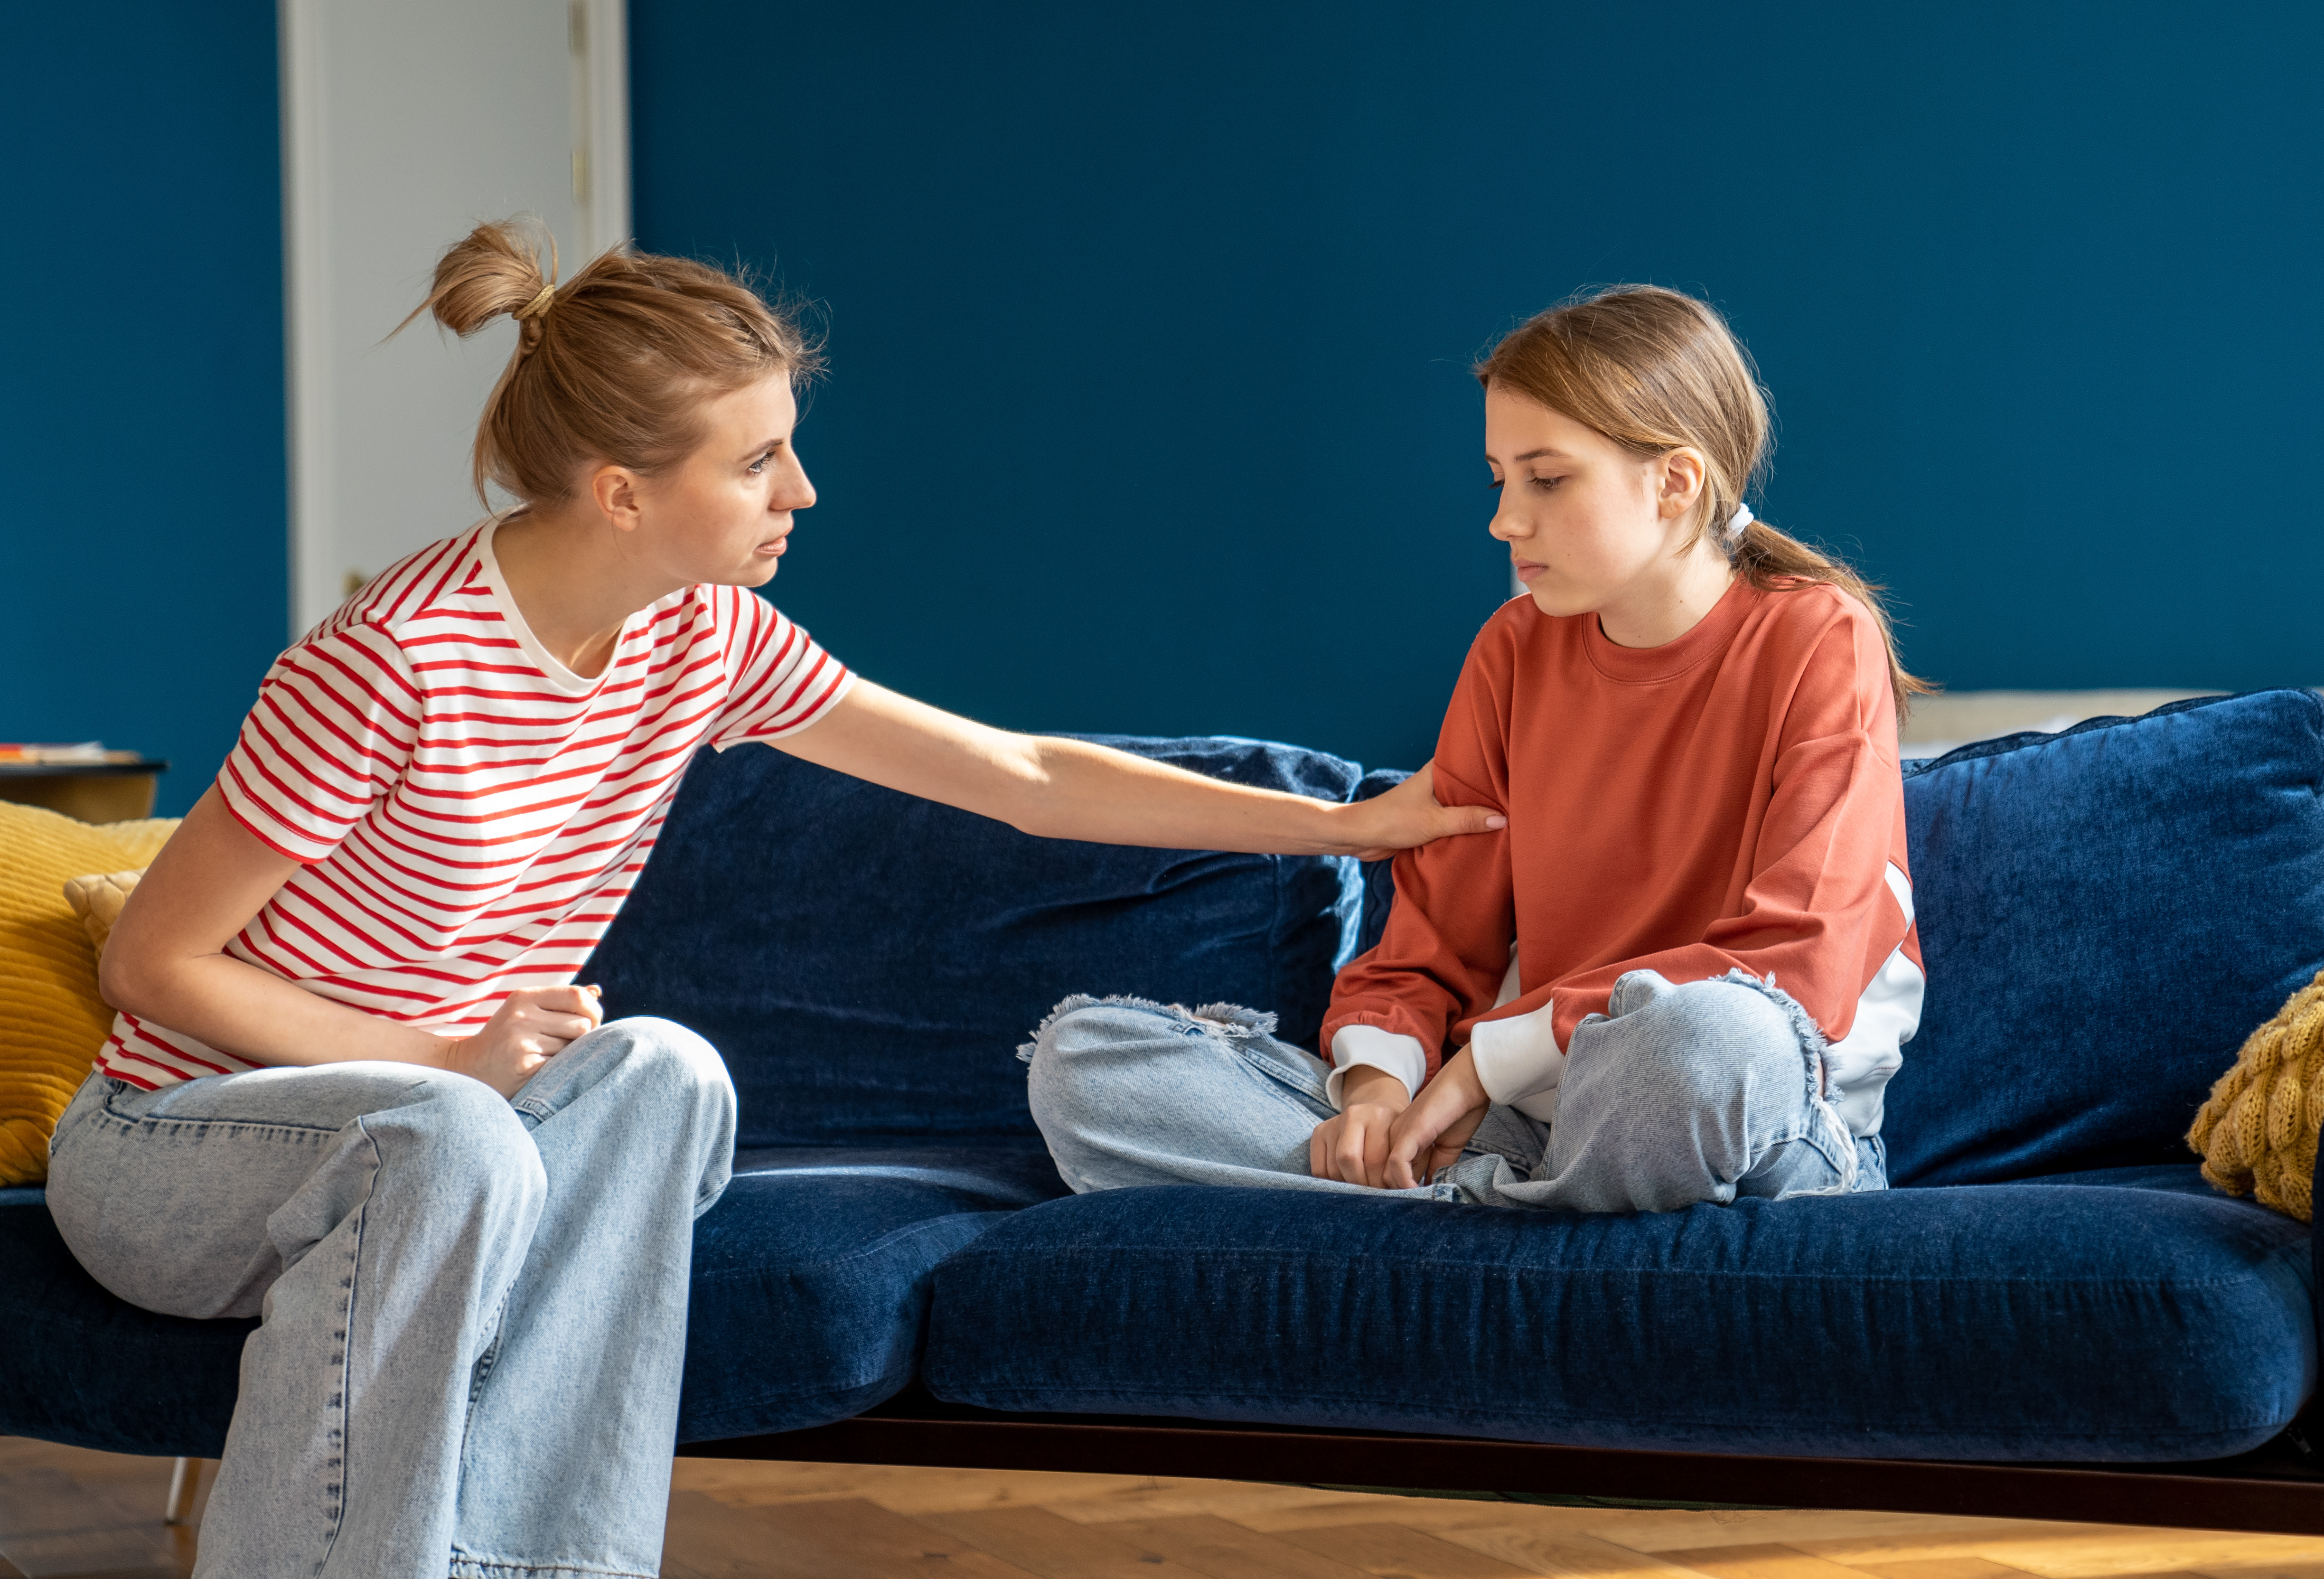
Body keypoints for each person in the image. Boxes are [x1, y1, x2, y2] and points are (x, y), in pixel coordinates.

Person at [42, 221, 1499, 1579]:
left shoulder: (702, 635)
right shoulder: (391, 661)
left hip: (444, 1132)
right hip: (180, 1147)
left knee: (663, 1069)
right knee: (455, 1133)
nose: (799, 490)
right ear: (622, 490)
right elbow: (155, 965)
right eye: (756, 461)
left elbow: (1022, 777)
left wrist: (1347, 825)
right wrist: (440, 1059)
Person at [1027, 284, 1928, 1217]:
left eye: (1546, 479)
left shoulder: (1820, 637)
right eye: (1499, 480)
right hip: (1530, 1129)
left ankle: (1461, 1223)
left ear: (1675, 481)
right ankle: (1516, 1216)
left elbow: (1798, 962)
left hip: (1740, 1117)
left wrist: (1479, 1066)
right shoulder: (1512, 650)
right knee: (1087, 1065)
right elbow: (1430, 944)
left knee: (1709, 1038)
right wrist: (1378, 1091)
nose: (1505, 521)